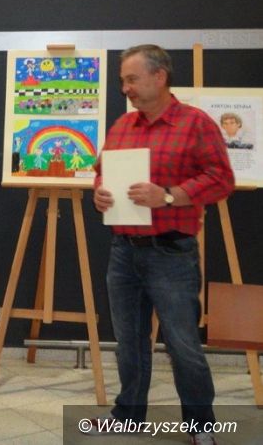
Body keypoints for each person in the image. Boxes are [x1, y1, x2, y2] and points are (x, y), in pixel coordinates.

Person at [92, 45, 234, 445]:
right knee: (129, 343)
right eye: (123, 80)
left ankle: (201, 426)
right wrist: (100, 192)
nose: (125, 88)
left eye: (132, 79)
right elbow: (101, 172)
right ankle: (129, 415)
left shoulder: (196, 124)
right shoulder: (122, 126)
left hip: (172, 253)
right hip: (124, 251)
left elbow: (221, 179)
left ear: (160, 77)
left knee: (183, 344)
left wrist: (169, 196)